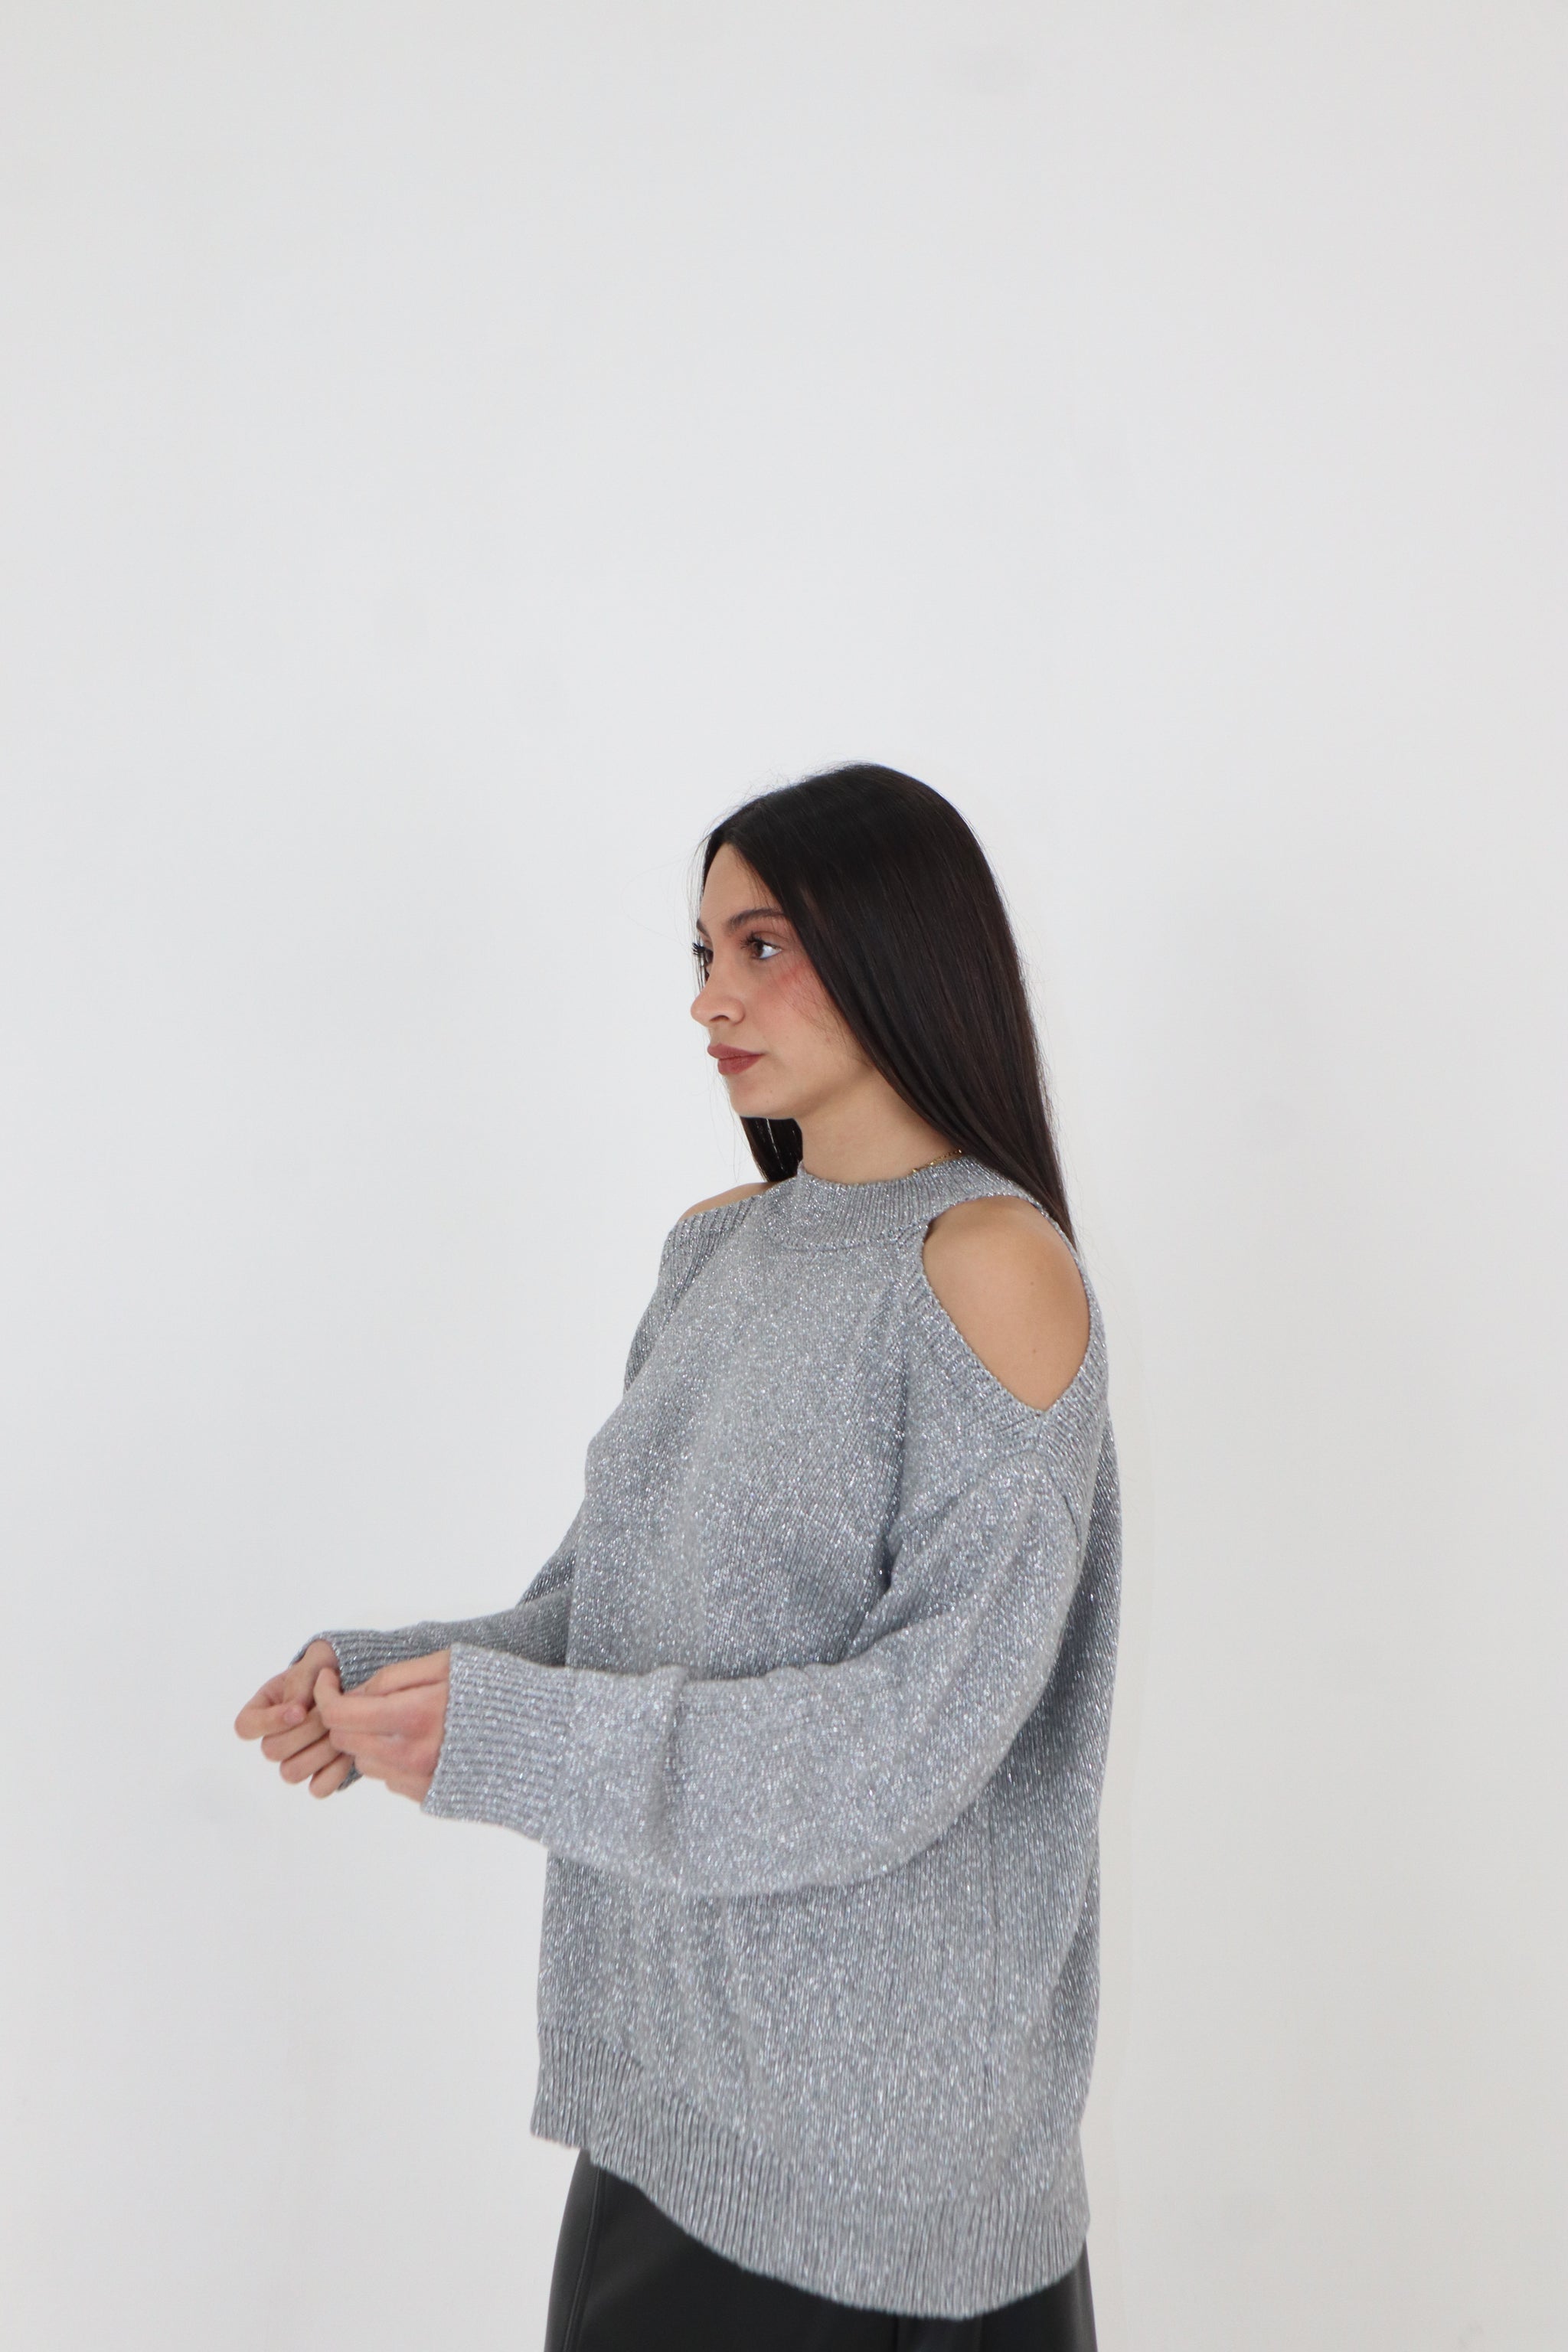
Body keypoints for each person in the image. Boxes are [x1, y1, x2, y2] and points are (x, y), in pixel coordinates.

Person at [235, 765, 1120, 2350]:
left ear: (901, 946)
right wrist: (393, 1685)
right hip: (669, 2119)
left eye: (763, 946)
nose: (711, 998)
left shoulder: (989, 1264)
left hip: (887, 2184)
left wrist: (506, 1740)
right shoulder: (718, 1248)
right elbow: (607, 1614)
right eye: (704, 953)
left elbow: (905, 1744)